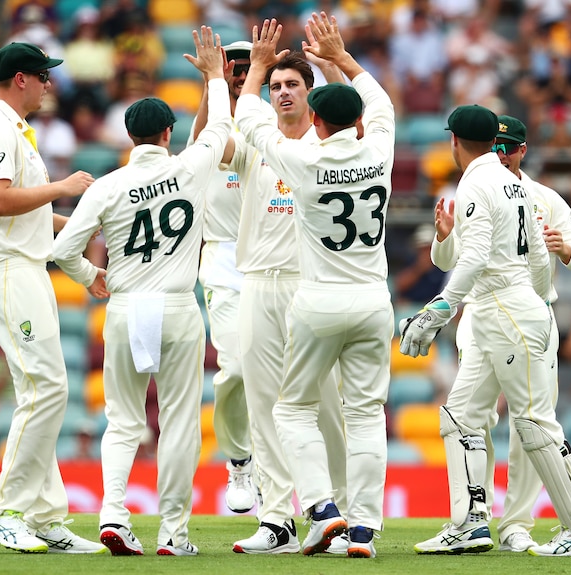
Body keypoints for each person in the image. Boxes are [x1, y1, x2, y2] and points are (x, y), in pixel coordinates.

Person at [52, 26, 232, 557]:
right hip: (177, 307)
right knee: (178, 424)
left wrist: (93, 278)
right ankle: (174, 533)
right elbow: (220, 126)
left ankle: (112, 512)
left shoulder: (107, 185)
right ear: (168, 134)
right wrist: (216, 77)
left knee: (123, 420)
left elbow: (64, 250)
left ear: (129, 137)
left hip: (128, 306)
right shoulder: (190, 168)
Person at [400, 103, 571, 557]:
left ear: (454, 142)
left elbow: (474, 259)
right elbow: (534, 257)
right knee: (460, 415)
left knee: (533, 421)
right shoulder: (511, 185)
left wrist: (438, 309)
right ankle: (471, 522)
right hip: (508, 308)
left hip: (505, 309)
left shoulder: (478, 181)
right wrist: (527, 297)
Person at [235, 13, 395, 558]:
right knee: (367, 415)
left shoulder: (302, 159)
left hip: (318, 299)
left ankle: (323, 509)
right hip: (374, 301)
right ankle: (364, 531)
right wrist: (342, 58)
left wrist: (255, 69)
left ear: (318, 121)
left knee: (291, 410)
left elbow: (248, 121)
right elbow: (382, 104)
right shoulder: (380, 150)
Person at [0, 41, 104, 554]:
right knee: (48, 389)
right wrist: (64, 186)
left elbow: (25, 214)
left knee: (41, 393)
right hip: (7, 271)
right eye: (43, 76)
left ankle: (45, 517)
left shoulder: (14, 129)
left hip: (23, 268)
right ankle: (3, 512)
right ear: (21, 78)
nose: (50, 84)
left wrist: (81, 227)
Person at [219, 27, 349, 555]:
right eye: (275, 86)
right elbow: (217, 142)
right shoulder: (255, 140)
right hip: (256, 284)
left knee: (325, 406)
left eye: (293, 84)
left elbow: (358, 114)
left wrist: (336, 63)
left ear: (310, 92)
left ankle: (340, 512)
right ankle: (277, 519)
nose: (283, 93)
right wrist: (237, 73)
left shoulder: (329, 147)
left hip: (311, 286)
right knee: (264, 401)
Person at [481, 114, 571, 552]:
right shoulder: (478, 188)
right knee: (470, 415)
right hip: (487, 312)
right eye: (494, 148)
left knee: (532, 421)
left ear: (523, 150)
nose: (501, 155)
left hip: (535, 313)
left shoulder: (546, 198)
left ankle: (518, 523)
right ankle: (470, 518)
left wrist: (564, 248)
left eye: (508, 149)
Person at [189, 39, 259, 515]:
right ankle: (239, 461)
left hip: (278, 259)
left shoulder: (273, 117)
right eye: (233, 66)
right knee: (233, 368)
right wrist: (210, 81)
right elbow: (201, 142)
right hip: (224, 260)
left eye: (248, 66)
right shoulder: (215, 120)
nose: (240, 72)